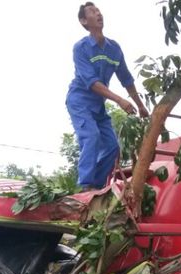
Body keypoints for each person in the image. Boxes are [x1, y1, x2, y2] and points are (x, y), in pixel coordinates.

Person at [66, 2, 148, 190]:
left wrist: (140, 106)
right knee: (92, 136)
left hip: (98, 106)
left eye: (99, 11)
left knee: (112, 147)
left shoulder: (114, 48)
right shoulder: (81, 48)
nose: (98, 13)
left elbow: (126, 79)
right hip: (79, 101)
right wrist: (119, 100)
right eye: (93, 12)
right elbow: (92, 82)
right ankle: (85, 185)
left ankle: (96, 185)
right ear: (84, 21)